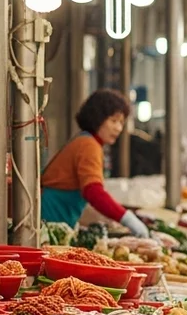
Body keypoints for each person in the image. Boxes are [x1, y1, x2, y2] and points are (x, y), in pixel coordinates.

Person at [42, 90, 149, 237]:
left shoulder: (85, 140)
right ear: (98, 118)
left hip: (56, 222)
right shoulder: (88, 145)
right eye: (114, 121)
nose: (118, 128)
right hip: (49, 219)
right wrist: (127, 218)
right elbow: (93, 191)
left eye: (121, 122)